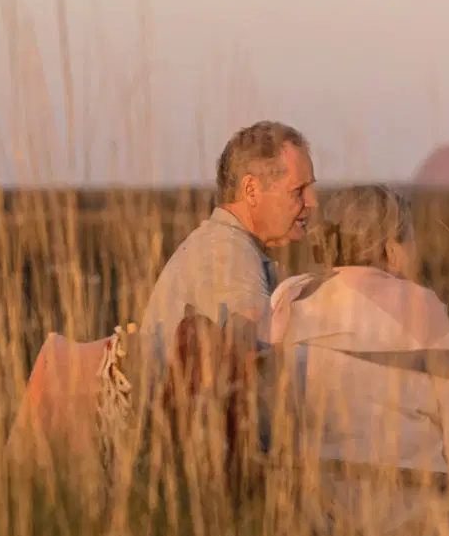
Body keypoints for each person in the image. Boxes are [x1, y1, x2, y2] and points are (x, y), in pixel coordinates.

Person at [266, 184, 449, 522]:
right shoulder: (420, 306)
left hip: (314, 514)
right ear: (392, 250)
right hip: (411, 512)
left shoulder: (290, 297)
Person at [135, 121, 317, 396]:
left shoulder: (222, 245)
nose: (312, 201)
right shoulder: (229, 255)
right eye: (298, 191)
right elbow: (258, 381)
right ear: (252, 191)